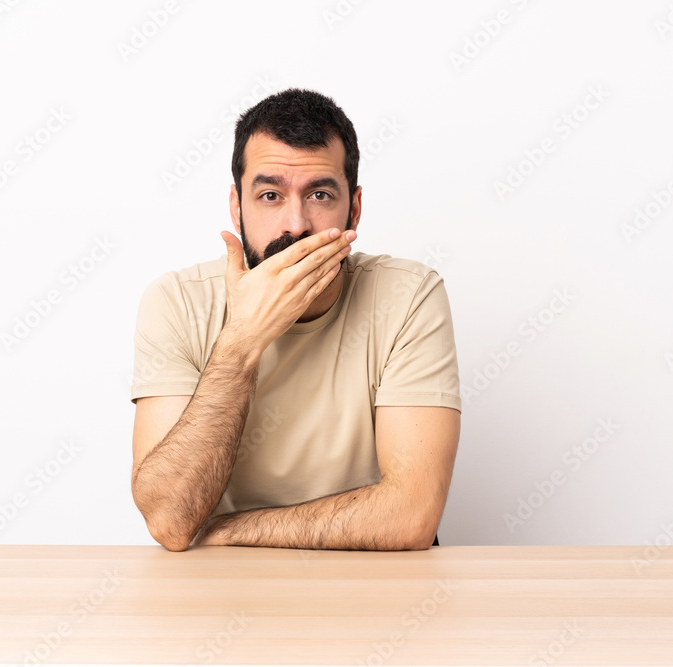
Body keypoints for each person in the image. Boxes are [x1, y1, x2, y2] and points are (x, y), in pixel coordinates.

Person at [130, 88, 461, 552]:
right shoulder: (176, 302)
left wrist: (227, 531)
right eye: (269, 195)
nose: (296, 225)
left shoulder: (408, 296)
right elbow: (169, 519)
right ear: (236, 207)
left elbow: (412, 516)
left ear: (355, 207)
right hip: (223, 592)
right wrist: (242, 340)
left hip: (375, 588)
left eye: (320, 194)